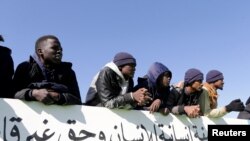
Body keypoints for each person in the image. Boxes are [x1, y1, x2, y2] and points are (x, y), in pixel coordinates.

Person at [12, 35, 82, 105]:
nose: (59, 51)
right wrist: (33, 93)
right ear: (40, 51)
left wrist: (59, 97)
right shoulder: (24, 67)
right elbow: (12, 94)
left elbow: (78, 100)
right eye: (54, 48)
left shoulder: (68, 72)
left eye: (61, 49)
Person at [85, 52, 152, 108]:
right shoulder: (106, 72)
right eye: (131, 65)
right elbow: (107, 103)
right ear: (120, 66)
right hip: (94, 109)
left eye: (135, 66)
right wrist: (132, 96)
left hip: (113, 113)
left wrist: (137, 101)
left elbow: (124, 103)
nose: (134, 69)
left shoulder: (130, 80)